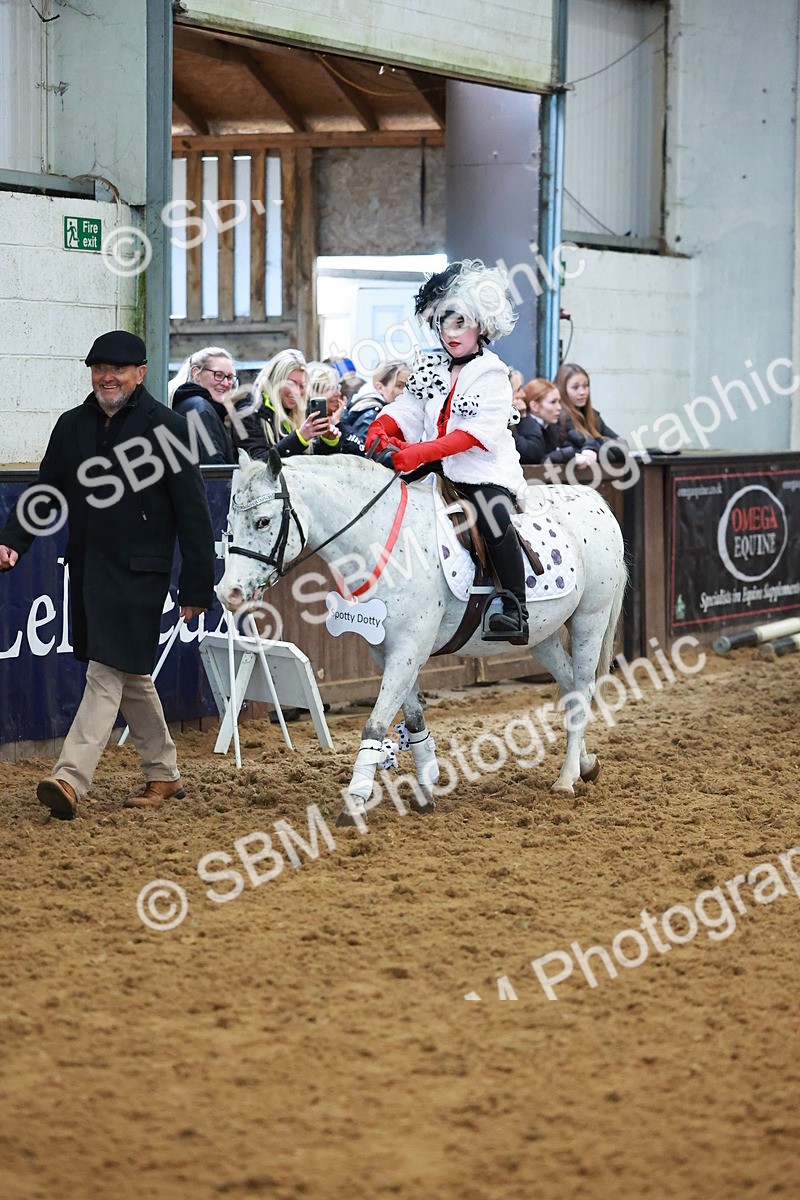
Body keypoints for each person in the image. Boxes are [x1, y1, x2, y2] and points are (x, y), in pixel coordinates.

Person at [0, 331, 215, 821]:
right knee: (128, 674)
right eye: (99, 369)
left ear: (140, 372)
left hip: (142, 575)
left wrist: (197, 585)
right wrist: (13, 538)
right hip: (88, 569)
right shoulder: (72, 425)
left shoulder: (170, 428)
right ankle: (164, 772)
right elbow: (46, 490)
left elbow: (194, 514)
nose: (107, 377)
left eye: (117, 369)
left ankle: (70, 779)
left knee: (104, 672)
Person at [365, 259, 529, 645]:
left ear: (481, 326)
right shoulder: (430, 367)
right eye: (442, 323)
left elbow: (471, 436)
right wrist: (381, 426)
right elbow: (407, 409)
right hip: (432, 472)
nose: (449, 332)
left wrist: (418, 453)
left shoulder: (493, 375)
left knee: (494, 518)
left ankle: (514, 607)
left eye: (459, 323)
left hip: (481, 475)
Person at [232, 349, 329, 460]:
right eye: (291, 384)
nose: (297, 392)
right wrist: (299, 438)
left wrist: (328, 442)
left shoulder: (303, 412)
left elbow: (314, 463)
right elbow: (259, 464)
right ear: (275, 381)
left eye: (302, 386)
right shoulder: (247, 413)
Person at [169, 345, 238, 464]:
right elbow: (213, 469)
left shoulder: (187, 404)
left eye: (230, 377)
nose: (226, 383)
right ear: (196, 373)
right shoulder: (200, 410)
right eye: (218, 375)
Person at [514, 377, 599, 467]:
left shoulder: (552, 427)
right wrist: (566, 455)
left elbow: (568, 446)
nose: (559, 407)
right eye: (553, 402)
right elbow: (536, 458)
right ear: (535, 406)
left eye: (559, 402)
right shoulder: (521, 427)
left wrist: (585, 451)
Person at [554, 362, 628, 465]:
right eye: (575, 387)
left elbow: (622, 446)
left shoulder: (592, 415)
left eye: (585, 386)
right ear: (562, 389)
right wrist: (601, 443)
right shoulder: (560, 418)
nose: (582, 392)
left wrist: (598, 443)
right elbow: (588, 445)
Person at [337, 359, 411, 456]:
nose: (405, 391)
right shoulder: (371, 413)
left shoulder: (397, 410)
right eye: (400, 386)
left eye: (409, 386)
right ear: (380, 387)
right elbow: (372, 453)